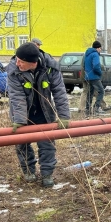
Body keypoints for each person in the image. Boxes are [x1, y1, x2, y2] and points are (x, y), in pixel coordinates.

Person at [7, 42, 70, 187]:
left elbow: (59, 92)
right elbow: (17, 96)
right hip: (23, 114)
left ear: (33, 63)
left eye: (21, 61)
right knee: (22, 144)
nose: (17, 63)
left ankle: (47, 174)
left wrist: (64, 116)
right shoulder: (13, 70)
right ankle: (29, 170)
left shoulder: (51, 68)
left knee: (47, 143)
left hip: (44, 112)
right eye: (17, 59)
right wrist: (20, 120)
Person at [84, 41, 105, 115]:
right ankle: (96, 108)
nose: (101, 50)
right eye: (100, 48)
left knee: (90, 93)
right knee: (101, 91)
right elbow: (96, 66)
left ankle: (87, 109)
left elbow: (84, 65)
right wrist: (100, 73)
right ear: (97, 48)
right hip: (94, 77)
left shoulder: (87, 54)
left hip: (88, 77)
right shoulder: (95, 54)